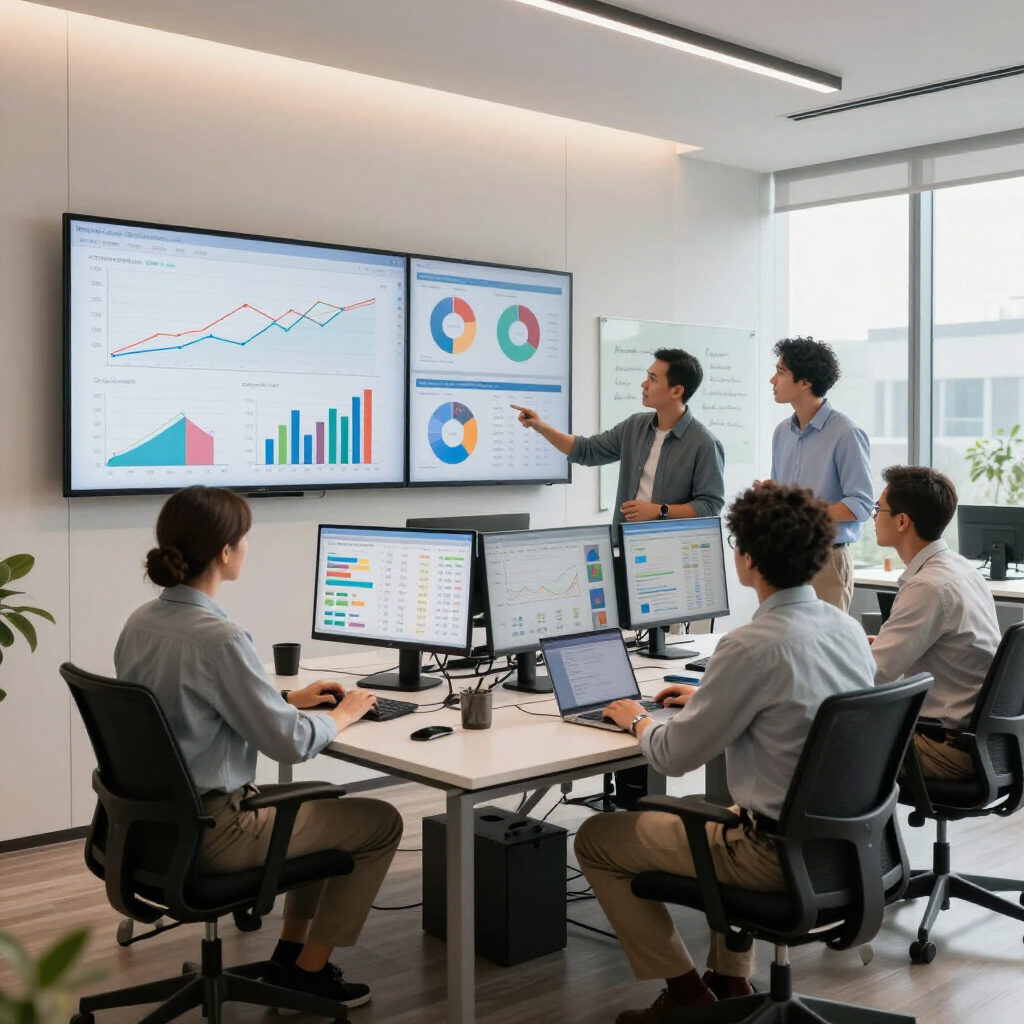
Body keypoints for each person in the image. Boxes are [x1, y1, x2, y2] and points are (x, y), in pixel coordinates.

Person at [575, 482, 875, 1023]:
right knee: (729, 811)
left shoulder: (749, 646)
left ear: (748, 559)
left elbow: (671, 756)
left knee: (597, 838)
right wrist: (712, 698)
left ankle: (686, 994)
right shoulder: (847, 628)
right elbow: (798, 705)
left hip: (773, 857)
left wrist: (637, 718)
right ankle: (730, 978)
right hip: (849, 847)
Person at [114, 486, 400, 1010]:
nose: (247, 546)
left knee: (319, 808)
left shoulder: (140, 622)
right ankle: (308, 975)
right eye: (244, 538)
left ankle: (290, 956)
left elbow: (184, 705)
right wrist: (344, 713)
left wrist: (285, 698)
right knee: (379, 822)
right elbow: (289, 743)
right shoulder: (221, 637)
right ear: (225, 551)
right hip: (214, 832)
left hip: (145, 830)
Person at [869, 465, 1001, 780]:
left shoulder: (927, 586)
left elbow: (874, 675)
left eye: (878, 509)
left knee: (817, 746)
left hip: (946, 747)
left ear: (902, 521)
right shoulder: (961, 568)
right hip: (987, 745)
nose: (873, 517)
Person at [512, 348, 725, 524]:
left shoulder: (704, 444)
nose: (644, 384)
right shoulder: (635, 426)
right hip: (626, 545)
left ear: (676, 391)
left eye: (653, 379)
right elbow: (586, 451)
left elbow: (710, 506)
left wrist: (659, 510)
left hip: (671, 550)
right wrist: (540, 427)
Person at [769, 336, 873, 611]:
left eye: (780, 372)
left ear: (805, 382)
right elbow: (783, 499)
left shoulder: (846, 433)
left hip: (827, 561)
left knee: (825, 639)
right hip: (786, 557)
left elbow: (861, 506)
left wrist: (803, 510)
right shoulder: (781, 432)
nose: (772, 380)